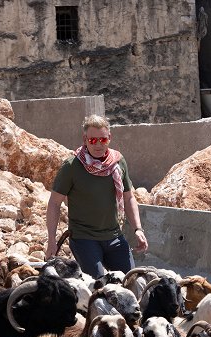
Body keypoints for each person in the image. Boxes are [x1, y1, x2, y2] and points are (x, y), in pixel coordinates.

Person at [45, 114, 148, 278]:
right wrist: (51, 240)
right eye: (93, 140)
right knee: (98, 285)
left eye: (103, 139)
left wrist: (137, 229)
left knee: (131, 281)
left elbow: (128, 198)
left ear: (109, 138)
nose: (98, 144)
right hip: (84, 239)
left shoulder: (118, 163)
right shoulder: (72, 166)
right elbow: (54, 203)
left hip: (114, 237)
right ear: (85, 139)